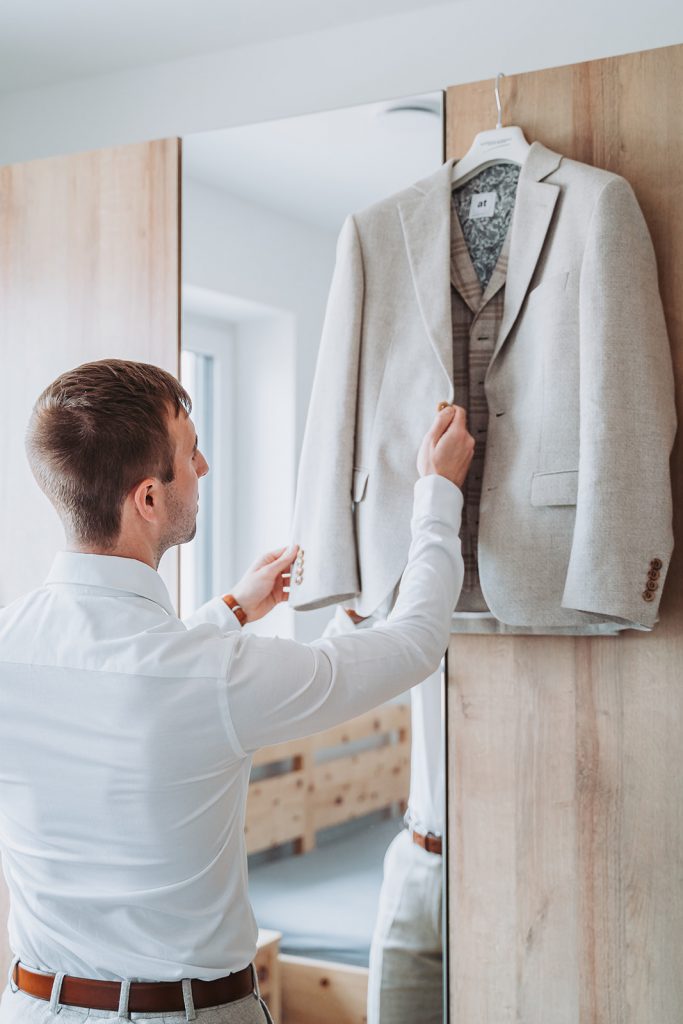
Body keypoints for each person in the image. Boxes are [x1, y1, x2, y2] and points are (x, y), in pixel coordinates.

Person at [0, 358, 473, 1024]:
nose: (205, 467)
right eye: (190, 454)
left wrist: (231, 609)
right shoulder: (212, 675)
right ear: (148, 498)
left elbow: (132, 680)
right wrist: (437, 496)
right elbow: (415, 643)